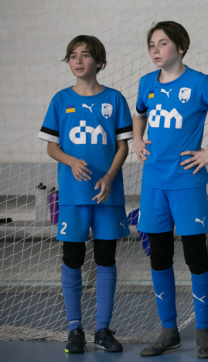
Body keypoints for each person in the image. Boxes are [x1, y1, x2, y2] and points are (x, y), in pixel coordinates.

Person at [132, 21, 208, 359]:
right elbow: (139, 115)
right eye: (151, 44)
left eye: (162, 43)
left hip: (187, 183)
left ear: (181, 47)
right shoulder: (146, 83)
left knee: (195, 256)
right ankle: (168, 331)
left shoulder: (199, 83)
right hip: (154, 184)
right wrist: (137, 139)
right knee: (159, 256)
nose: (155, 50)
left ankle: (202, 331)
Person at [38, 35, 133, 354]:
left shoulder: (114, 99)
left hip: (107, 193)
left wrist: (109, 176)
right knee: (73, 258)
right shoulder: (60, 99)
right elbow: (52, 147)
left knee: (106, 258)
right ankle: (74, 329)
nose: (78, 61)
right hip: (73, 195)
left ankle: (103, 329)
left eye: (85, 55)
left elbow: (122, 146)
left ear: (100, 61)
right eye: (73, 55)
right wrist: (71, 160)